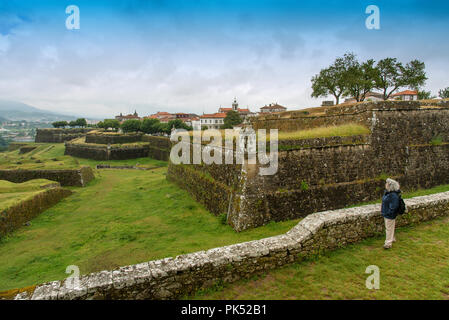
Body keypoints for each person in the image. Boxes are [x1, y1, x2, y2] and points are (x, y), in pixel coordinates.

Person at [381, 178, 401, 249]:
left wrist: (389, 213)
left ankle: (388, 243)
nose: (385, 185)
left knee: (389, 228)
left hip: (389, 215)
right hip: (387, 213)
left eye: (387, 184)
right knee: (390, 227)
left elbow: (394, 206)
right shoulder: (389, 193)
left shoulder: (393, 195)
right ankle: (392, 238)